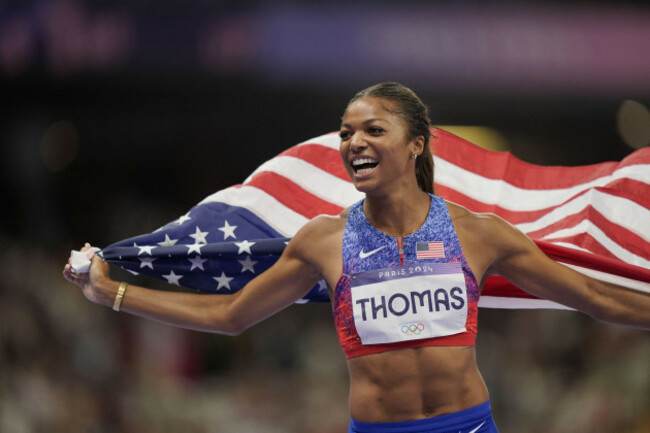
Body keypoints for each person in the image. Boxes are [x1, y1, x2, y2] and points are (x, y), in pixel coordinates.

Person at [63, 82, 650, 433]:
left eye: (372, 128)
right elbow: (230, 317)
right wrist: (111, 292)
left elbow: (594, 296)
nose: (354, 143)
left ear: (416, 144)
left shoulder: (477, 233)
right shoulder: (323, 240)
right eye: (345, 133)